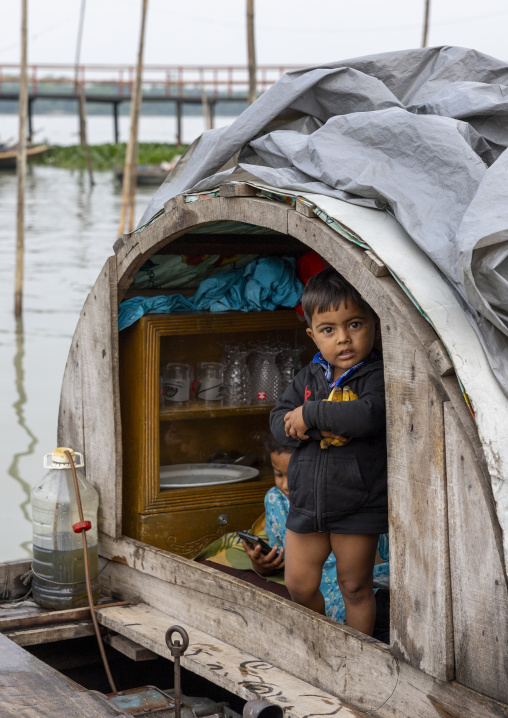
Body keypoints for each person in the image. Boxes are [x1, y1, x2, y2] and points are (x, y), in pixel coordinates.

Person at [270, 267, 388, 636]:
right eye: (329, 330)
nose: (344, 339)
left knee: (354, 587)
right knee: (299, 585)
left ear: (374, 323)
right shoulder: (309, 376)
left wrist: (310, 414)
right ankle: (325, 643)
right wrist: (313, 424)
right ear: (312, 335)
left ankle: (360, 659)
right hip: (307, 502)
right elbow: (278, 421)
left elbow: (367, 416)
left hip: (357, 503)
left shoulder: (380, 374)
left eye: (354, 324)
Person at [242, 436, 389, 624]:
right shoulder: (275, 500)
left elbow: (380, 557)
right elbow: (283, 559)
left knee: (369, 598)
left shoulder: (349, 497)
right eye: (279, 474)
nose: (286, 485)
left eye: (295, 475)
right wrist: (262, 564)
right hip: (318, 591)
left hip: (362, 584)